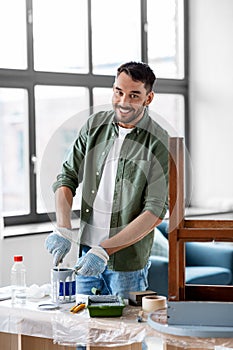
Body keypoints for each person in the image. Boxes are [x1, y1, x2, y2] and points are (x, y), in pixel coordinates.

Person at [45, 61, 169, 299]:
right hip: (85, 257)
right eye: (118, 92)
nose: (123, 102)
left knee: (126, 334)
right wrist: (62, 228)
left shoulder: (158, 142)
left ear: (148, 98)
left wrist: (105, 250)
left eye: (134, 95)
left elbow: (154, 212)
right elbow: (67, 177)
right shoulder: (94, 126)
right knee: (84, 333)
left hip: (127, 267)